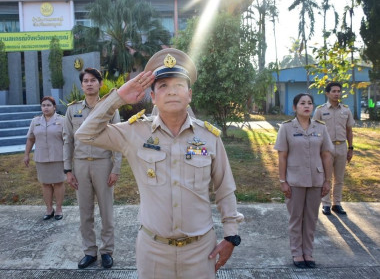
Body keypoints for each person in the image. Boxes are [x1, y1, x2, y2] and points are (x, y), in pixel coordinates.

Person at [75, 48, 244, 279]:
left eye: (178, 85)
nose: (172, 92)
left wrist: (231, 236)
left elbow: (225, 189)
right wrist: (118, 98)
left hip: (201, 251)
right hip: (153, 251)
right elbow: (86, 134)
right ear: (152, 96)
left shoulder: (209, 137)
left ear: (190, 94)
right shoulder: (135, 133)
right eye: (163, 86)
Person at [63, 68, 122, 269]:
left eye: (93, 80)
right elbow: (67, 141)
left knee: (106, 211)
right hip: (80, 165)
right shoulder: (72, 110)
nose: (89, 84)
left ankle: (107, 251)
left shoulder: (109, 109)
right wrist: (67, 170)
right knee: (84, 212)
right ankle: (89, 251)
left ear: (100, 84)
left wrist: (116, 169)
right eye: (85, 81)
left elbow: (118, 140)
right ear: (81, 85)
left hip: (103, 164)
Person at [274, 93, 333, 268]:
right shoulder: (286, 128)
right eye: (302, 103)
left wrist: (327, 180)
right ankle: (297, 253)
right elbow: (282, 156)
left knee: (311, 218)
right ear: (294, 107)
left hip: (316, 179)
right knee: (296, 218)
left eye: (309, 103)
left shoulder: (321, 128)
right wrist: (282, 180)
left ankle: (308, 252)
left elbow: (326, 155)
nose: (306, 106)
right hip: (294, 180)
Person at [313, 82, 355, 216]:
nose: (337, 94)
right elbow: (314, 130)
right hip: (326, 147)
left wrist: (351, 148)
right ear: (327, 93)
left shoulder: (346, 110)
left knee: (339, 178)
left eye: (339, 91)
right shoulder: (320, 110)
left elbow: (349, 130)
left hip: (342, 146)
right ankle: (326, 204)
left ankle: (337, 204)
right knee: (326, 177)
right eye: (334, 91)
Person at [24, 96, 66, 221]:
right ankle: (49, 209)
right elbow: (31, 139)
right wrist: (26, 154)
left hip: (58, 157)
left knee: (58, 183)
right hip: (41, 158)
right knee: (46, 184)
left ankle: (59, 209)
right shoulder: (35, 121)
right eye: (43, 105)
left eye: (48, 105)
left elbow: (68, 140)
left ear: (54, 107)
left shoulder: (62, 121)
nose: (46, 108)